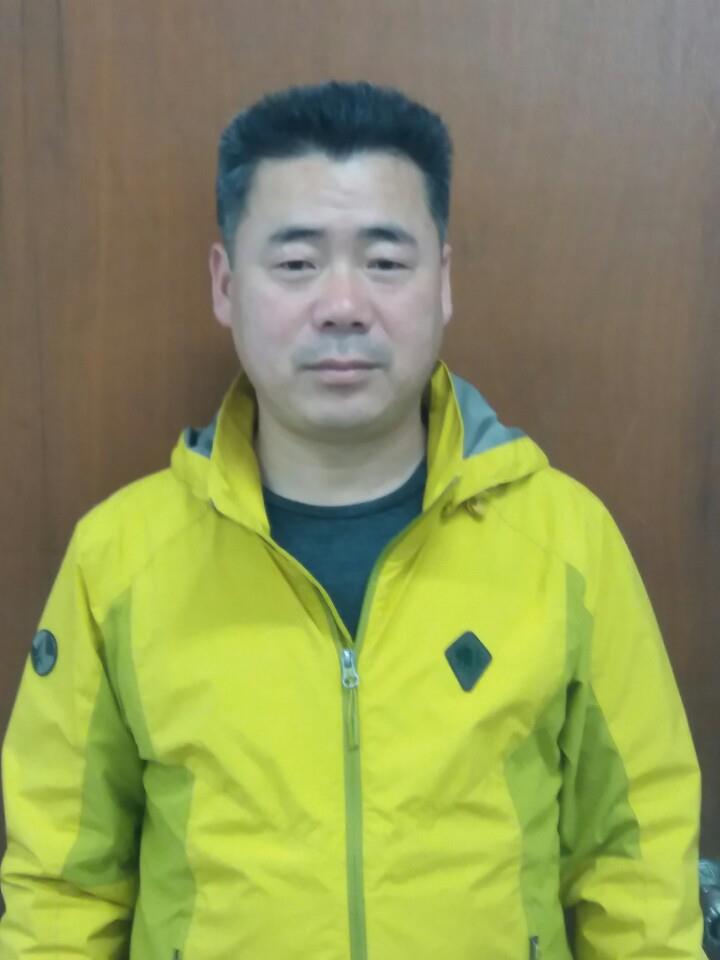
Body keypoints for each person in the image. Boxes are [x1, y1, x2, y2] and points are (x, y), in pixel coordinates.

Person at [0, 80, 703, 959]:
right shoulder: (119, 559)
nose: (342, 305)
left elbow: (636, 867)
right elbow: (61, 893)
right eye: (296, 263)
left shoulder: (566, 543)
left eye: (385, 262)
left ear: (443, 281)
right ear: (225, 284)